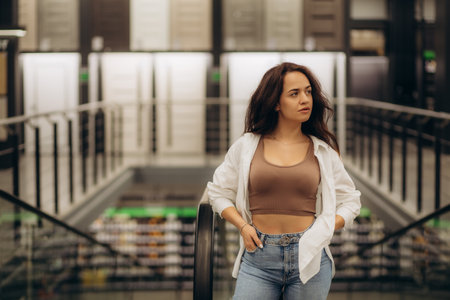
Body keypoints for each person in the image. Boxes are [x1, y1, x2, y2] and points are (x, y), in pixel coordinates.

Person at [207, 62, 361, 300]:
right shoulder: (247, 146)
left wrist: (325, 228)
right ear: (276, 103)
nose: (305, 99)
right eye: (294, 93)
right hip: (258, 258)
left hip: (309, 258)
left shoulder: (322, 151)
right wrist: (243, 226)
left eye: (308, 92)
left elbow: (351, 201)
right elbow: (217, 192)